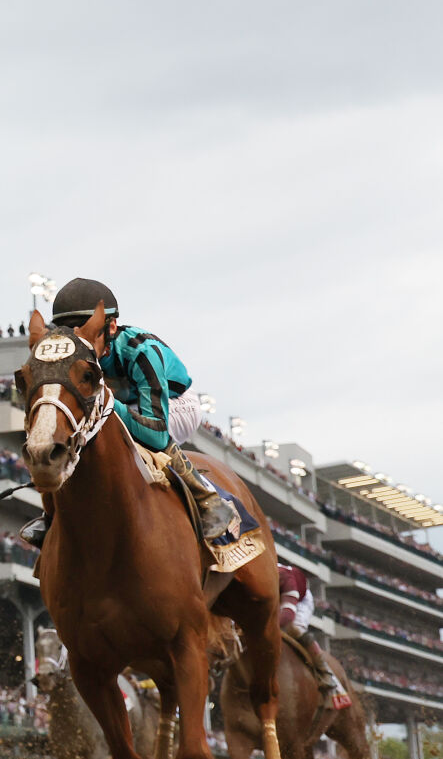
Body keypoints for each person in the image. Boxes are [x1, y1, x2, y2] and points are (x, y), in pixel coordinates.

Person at [21, 278, 237, 546]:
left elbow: (156, 432)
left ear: (111, 326)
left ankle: (205, 499)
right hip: (120, 403)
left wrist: (107, 403)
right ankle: (52, 513)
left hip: (175, 403)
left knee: (143, 439)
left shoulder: (141, 351)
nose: (79, 340)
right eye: (69, 331)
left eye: (87, 330)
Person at [279, 563, 351, 709]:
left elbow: (287, 615)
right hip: (277, 598)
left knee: (295, 630)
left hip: (299, 600)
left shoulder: (284, 577)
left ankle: (325, 672)